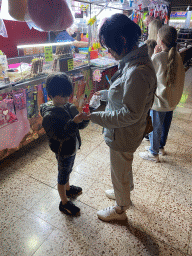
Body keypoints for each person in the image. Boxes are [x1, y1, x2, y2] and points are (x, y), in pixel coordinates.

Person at [83, 14, 157, 222]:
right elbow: (124, 93)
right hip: (123, 131)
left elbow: (129, 113)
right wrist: (105, 95)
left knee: (119, 169)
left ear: (122, 41)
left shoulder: (137, 71)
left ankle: (120, 208)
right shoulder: (133, 61)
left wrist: (95, 117)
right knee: (123, 166)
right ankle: (123, 191)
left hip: (123, 133)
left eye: (109, 46)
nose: (108, 52)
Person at [40, 72, 89, 216]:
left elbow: (78, 127)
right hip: (63, 150)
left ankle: (68, 189)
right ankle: (64, 202)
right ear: (52, 95)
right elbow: (60, 136)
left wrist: (84, 119)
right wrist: (74, 122)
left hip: (72, 148)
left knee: (68, 170)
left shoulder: (68, 106)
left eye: (68, 95)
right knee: (62, 176)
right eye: (63, 96)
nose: (67, 99)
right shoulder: (49, 116)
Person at [139, 25, 185, 162]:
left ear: (161, 42)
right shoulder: (177, 55)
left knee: (155, 127)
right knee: (165, 126)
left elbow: (148, 75)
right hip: (172, 100)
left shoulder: (157, 57)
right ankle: (160, 147)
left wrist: (153, 54)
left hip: (159, 101)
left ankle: (153, 153)